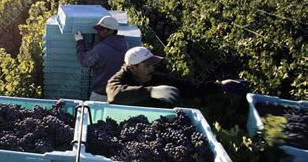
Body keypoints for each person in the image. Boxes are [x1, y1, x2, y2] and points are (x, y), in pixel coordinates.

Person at [106, 46, 248, 107]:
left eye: (153, 65)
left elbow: (189, 88)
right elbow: (115, 95)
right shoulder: (118, 79)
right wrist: (151, 92)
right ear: (132, 67)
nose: (152, 68)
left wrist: (220, 86)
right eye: (147, 65)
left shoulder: (160, 79)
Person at [74, 16, 128, 102]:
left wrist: (80, 42)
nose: (98, 32)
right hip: (118, 93)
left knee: (92, 115)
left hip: (101, 94)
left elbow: (85, 61)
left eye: (101, 30)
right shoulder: (124, 45)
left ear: (111, 31)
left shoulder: (101, 49)